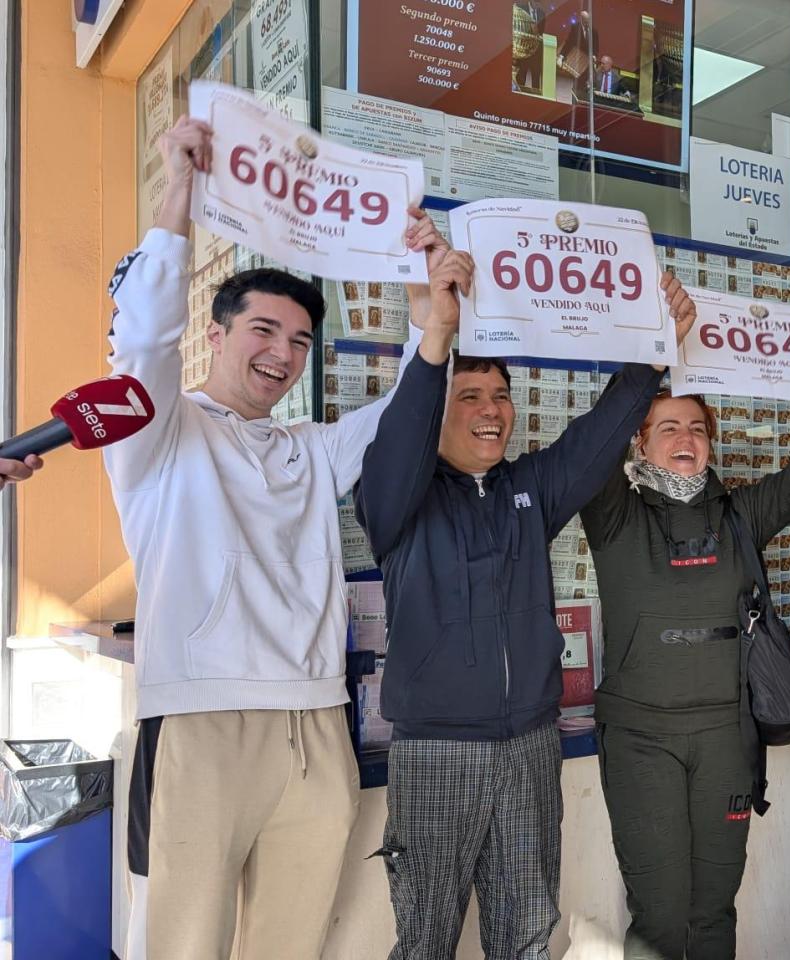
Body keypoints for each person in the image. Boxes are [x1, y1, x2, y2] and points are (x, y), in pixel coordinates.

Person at [104, 116, 428, 959]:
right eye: (262, 331)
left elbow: (403, 417)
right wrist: (179, 188)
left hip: (317, 720)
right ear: (214, 335)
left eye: (298, 341)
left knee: (291, 943)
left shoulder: (311, 448)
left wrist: (434, 323)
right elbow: (141, 337)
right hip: (200, 719)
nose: (282, 353)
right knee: (181, 943)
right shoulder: (157, 431)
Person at [353, 237, 697, 958]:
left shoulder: (527, 490)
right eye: (469, 396)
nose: (491, 411)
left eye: (501, 396)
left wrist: (652, 354)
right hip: (437, 752)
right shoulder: (395, 498)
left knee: (529, 939)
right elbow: (400, 438)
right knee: (424, 942)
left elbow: (595, 440)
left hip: (530, 749)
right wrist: (435, 341)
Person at [582, 221, 790, 960]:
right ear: (639, 443)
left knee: (714, 913)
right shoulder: (613, 514)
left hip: (727, 741)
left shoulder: (739, 514)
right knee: (661, 917)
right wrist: (652, 336)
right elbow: (592, 440)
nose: (684, 436)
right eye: (665, 425)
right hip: (641, 740)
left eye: (696, 427)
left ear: (711, 441)